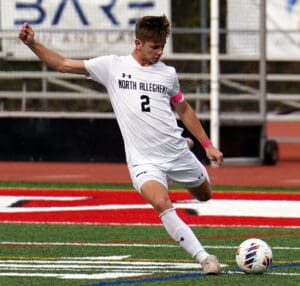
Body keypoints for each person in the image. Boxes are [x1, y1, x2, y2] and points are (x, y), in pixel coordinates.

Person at [19, 15, 223, 274]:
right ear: (138, 43)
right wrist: (32, 44)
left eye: (162, 47)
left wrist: (207, 145)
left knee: (205, 195)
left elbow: (182, 107)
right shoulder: (112, 66)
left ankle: (185, 143)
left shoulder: (168, 74)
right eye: (154, 47)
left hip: (177, 153)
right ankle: (205, 258)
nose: (160, 52)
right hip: (143, 160)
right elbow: (62, 64)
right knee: (161, 203)